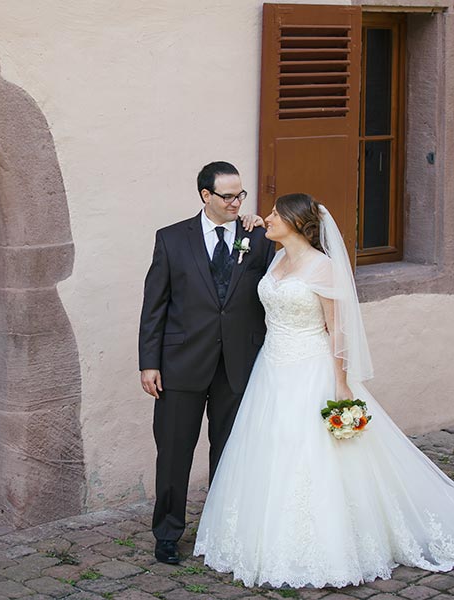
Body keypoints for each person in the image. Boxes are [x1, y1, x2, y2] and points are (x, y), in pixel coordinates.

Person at [194, 193, 454, 588]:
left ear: (296, 222)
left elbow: (337, 330)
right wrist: (251, 224)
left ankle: (323, 544)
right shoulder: (277, 258)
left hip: (310, 368)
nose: (268, 218)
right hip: (271, 367)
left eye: (277, 214)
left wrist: (341, 384)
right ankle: (259, 537)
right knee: (269, 447)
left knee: (311, 453)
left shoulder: (322, 267)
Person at [138, 161, 276, 564]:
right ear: (205, 196)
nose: (236, 203)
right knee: (174, 453)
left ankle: (223, 530)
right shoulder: (171, 239)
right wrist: (149, 362)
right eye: (228, 196)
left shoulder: (259, 237)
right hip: (180, 364)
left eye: (240, 195)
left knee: (230, 452)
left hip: (238, 363)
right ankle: (167, 533)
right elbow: (154, 306)